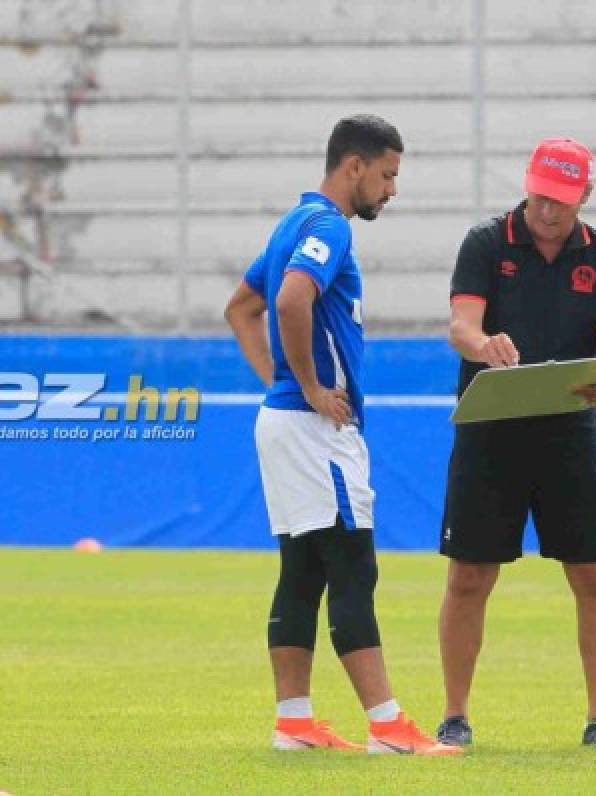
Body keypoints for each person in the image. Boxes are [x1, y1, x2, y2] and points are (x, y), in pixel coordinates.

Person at [224, 115, 460, 756]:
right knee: (353, 567)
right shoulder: (327, 227)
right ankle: (387, 727)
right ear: (353, 166)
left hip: (285, 423)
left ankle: (294, 722)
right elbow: (293, 298)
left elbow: (241, 308)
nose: (391, 190)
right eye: (387, 175)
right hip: (314, 429)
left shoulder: (290, 224)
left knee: (302, 571)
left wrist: (280, 383)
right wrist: (305, 384)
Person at [435, 137, 596, 747]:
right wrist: (484, 346)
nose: (547, 211)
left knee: (595, 576)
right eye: (540, 195)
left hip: (570, 427)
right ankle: (455, 714)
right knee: (470, 574)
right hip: (490, 424)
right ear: (528, 184)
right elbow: (461, 327)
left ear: (585, 197)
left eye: (562, 200)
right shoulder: (485, 244)